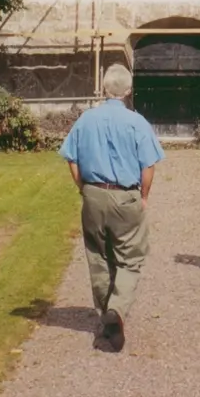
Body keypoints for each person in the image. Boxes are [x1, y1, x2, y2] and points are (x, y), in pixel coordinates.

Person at [59, 64, 165, 352]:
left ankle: (107, 324)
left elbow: (71, 157)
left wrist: (83, 187)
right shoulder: (137, 122)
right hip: (126, 195)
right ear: (128, 91)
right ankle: (116, 310)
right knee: (130, 258)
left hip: (94, 194)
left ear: (104, 89)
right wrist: (144, 196)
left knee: (98, 257)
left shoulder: (85, 120)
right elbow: (148, 166)